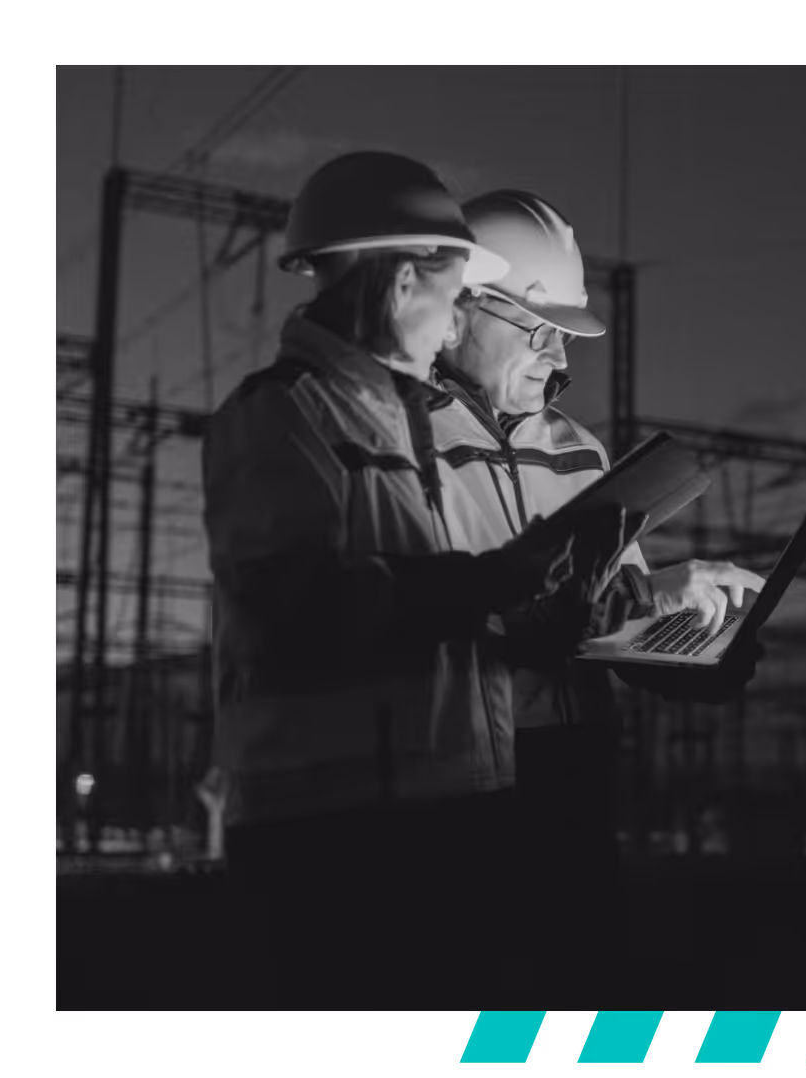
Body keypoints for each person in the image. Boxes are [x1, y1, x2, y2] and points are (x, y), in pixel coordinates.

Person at [202, 153, 624, 1010]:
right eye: (454, 289)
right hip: (326, 844)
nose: (454, 314)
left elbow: (410, 609)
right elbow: (300, 608)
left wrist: (522, 623)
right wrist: (495, 584)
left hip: (437, 817)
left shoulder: (394, 424)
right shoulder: (280, 414)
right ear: (404, 287)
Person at [431, 189, 766, 1006]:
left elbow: (611, 613)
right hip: (463, 789)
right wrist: (627, 601)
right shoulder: (401, 443)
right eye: (533, 326)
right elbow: (434, 617)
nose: (555, 353)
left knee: (581, 987)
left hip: (574, 782)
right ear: (460, 307)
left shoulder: (581, 452)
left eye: (564, 334)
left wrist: (693, 635)